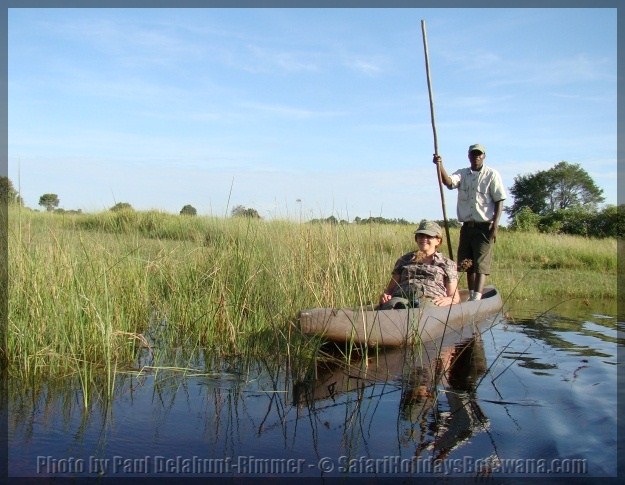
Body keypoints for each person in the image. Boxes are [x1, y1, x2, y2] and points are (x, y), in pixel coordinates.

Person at [433, 143, 506, 301]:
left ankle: (476, 298)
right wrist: (440, 165)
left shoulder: (492, 175)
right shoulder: (463, 174)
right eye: (473, 154)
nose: (476, 157)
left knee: (481, 264)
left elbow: (500, 200)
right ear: (469, 156)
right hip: (467, 227)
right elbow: (448, 182)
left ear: (484, 156)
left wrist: (495, 224)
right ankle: (472, 295)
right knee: (467, 264)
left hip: (484, 226)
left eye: (479, 154)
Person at [379, 220, 460, 309]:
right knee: (391, 306)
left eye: (429, 236)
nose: (424, 239)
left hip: (430, 298)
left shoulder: (447, 264)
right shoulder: (404, 260)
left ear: (438, 240)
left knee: (423, 310)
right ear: (416, 239)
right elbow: (390, 290)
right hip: (402, 296)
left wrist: (449, 299)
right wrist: (385, 296)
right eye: (421, 235)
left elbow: (454, 296)